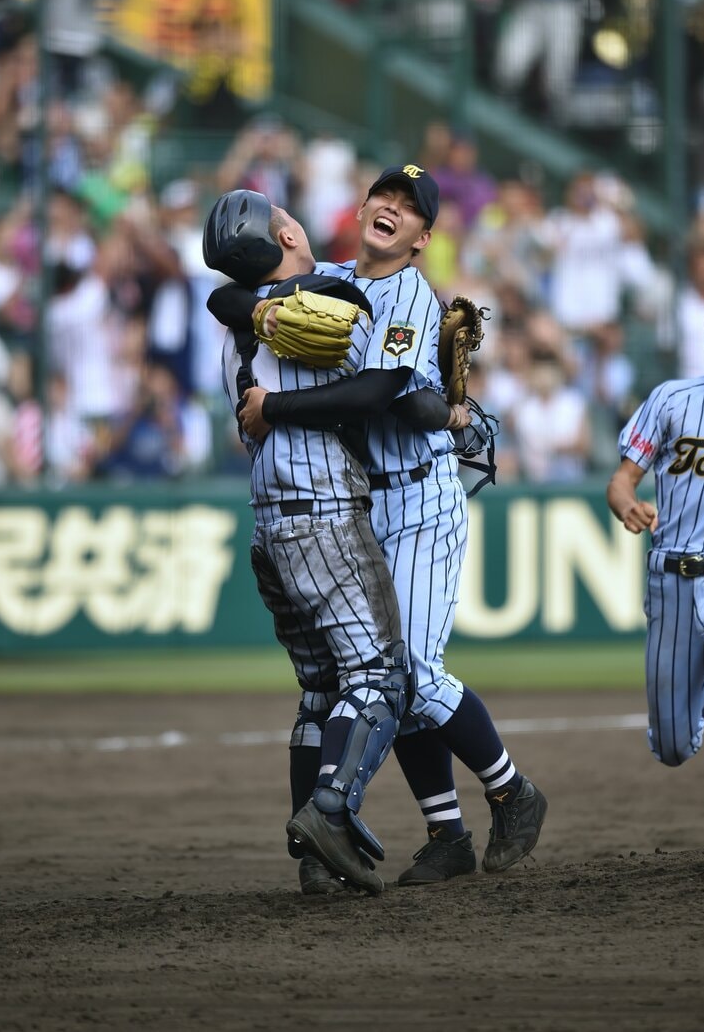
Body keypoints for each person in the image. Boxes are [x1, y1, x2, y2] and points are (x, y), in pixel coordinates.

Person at [239, 163, 548, 884]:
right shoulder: (332, 276)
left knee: (407, 669)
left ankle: (511, 791)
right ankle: (446, 834)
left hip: (417, 496)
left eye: (408, 207)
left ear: (421, 237)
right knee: (380, 672)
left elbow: (393, 398)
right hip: (354, 503)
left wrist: (445, 405)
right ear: (363, 205)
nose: (391, 207)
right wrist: (257, 310)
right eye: (384, 194)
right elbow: (231, 293)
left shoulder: (409, 291)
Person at [204, 188, 413, 897]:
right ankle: (328, 812)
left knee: (322, 689)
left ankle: (315, 860)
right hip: (321, 511)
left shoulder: (233, 322)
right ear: (288, 230)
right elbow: (387, 392)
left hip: (269, 521)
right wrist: (447, 403)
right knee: (380, 676)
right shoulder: (333, 295)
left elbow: (228, 302)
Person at [606, 282, 704, 797]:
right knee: (672, 747)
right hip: (672, 583)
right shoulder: (672, 399)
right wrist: (627, 506)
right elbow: (621, 481)